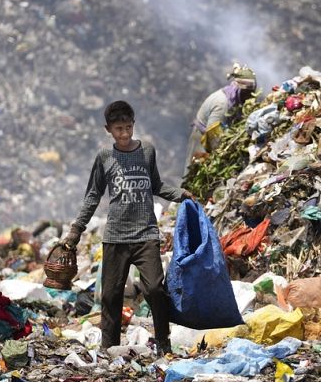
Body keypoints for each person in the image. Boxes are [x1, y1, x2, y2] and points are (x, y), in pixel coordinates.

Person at [61, 100, 193, 354]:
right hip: (116, 236)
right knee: (110, 295)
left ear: (134, 124)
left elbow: (156, 185)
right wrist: (77, 229)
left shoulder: (147, 151)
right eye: (119, 129)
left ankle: (163, 343)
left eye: (128, 127)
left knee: (154, 288)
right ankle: (109, 348)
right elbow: (93, 195)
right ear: (108, 129)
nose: (124, 134)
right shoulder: (105, 157)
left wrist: (179, 194)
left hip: (146, 233)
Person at [184, 63, 257, 176]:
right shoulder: (222, 104)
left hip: (212, 135)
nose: (250, 96)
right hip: (202, 139)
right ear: (239, 89)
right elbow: (213, 136)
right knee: (195, 172)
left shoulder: (234, 99)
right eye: (247, 93)